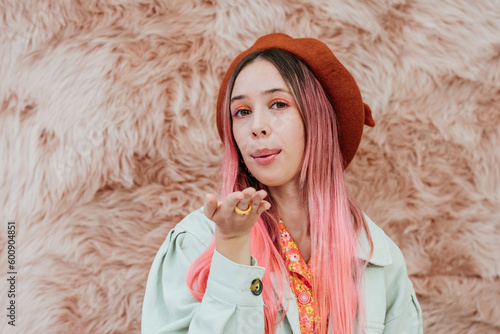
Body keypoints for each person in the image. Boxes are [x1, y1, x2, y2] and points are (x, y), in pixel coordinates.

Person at [141, 33, 422, 334]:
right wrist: (231, 248)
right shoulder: (194, 243)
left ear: (317, 120)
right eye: (242, 112)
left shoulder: (378, 257)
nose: (257, 127)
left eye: (277, 104)